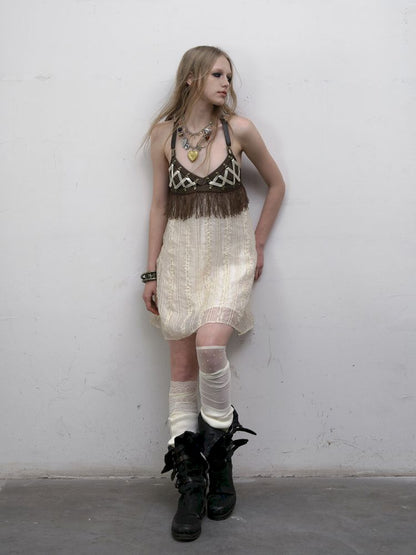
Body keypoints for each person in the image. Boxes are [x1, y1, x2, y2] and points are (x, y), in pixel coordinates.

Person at [141, 45, 285, 542]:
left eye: (229, 75)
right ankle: (192, 482)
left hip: (228, 262)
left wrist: (258, 243)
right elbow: (158, 207)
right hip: (179, 264)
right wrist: (150, 273)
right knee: (181, 372)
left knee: (209, 348)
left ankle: (219, 456)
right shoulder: (163, 136)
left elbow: (276, 185)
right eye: (218, 74)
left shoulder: (239, 130)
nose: (226, 82)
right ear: (192, 78)